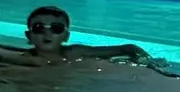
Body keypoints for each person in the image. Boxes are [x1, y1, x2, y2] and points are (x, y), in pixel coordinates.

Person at [8, 5, 150, 65]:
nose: (47, 33)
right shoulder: (24, 60)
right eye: (39, 28)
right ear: (29, 35)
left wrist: (146, 60)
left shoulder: (76, 53)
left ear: (66, 36)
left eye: (56, 28)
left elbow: (128, 48)